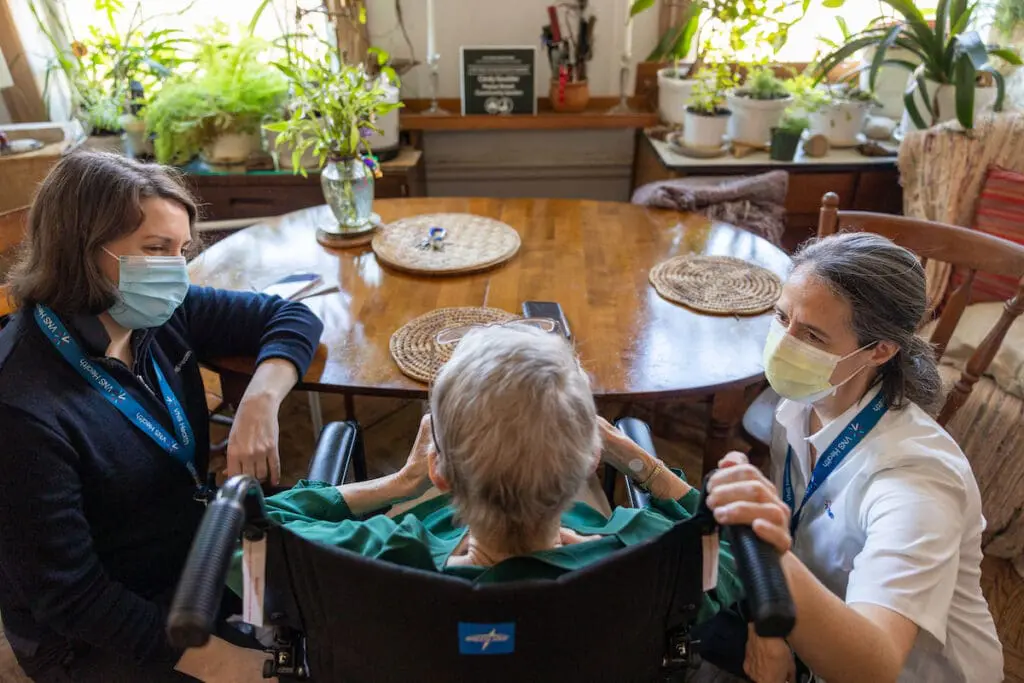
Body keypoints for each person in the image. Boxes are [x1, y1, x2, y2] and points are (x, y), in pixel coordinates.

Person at [0, 152, 324, 682]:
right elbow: (73, 596)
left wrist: (260, 398)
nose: (175, 269)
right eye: (155, 249)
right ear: (80, 251)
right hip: (95, 630)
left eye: (181, 249)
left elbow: (291, 314)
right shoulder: (20, 408)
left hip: (189, 554)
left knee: (326, 617)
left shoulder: (154, 312)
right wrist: (222, 663)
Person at [226, 323, 745, 630]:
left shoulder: (376, 554)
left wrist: (399, 484)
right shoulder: (645, 555)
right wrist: (639, 461)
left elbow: (234, 544)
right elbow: (738, 554)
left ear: (439, 469)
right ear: (590, 460)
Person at [705, 232, 1002, 683]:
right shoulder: (799, 408)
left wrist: (764, 552)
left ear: (880, 350)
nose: (784, 345)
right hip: (813, 627)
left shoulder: (916, 484)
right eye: (782, 317)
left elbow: (874, 667)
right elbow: (790, 531)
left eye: (812, 335)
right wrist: (767, 631)